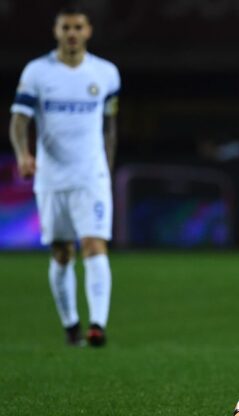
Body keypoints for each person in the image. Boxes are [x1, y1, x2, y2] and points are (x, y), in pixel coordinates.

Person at [9, 6, 120, 347]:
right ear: (56, 31)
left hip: (91, 175)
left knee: (94, 244)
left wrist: (106, 168)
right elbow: (19, 120)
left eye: (78, 27)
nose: (72, 33)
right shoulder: (37, 72)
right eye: (66, 27)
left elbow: (109, 125)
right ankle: (71, 325)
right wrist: (23, 154)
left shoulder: (106, 73)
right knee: (61, 252)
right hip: (52, 176)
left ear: (88, 31)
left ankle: (97, 325)